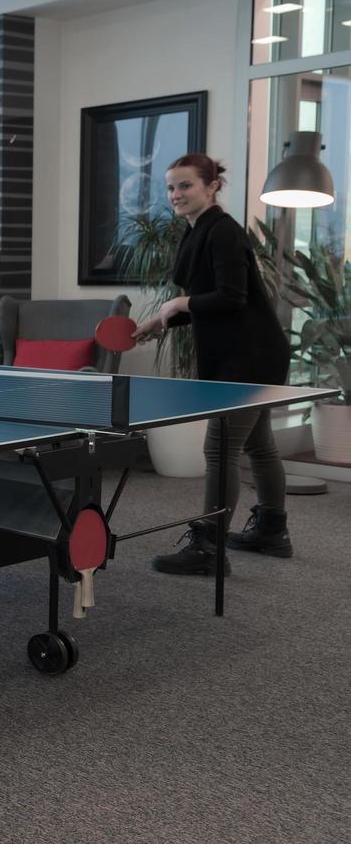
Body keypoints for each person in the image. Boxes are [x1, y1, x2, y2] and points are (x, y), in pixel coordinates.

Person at [132, 154, 294, 575]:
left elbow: (231, 297)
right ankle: (272, 531)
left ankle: (208, 549)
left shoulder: (221, 232)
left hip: (249, 357)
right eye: (171, 187)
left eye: (185, 185)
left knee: (220, 447)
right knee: (259, 444)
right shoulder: (198, 231)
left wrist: (179, 303)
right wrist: (161, 318)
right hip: (245, 352)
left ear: (211, 187)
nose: (176, 195)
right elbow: (211, 304)